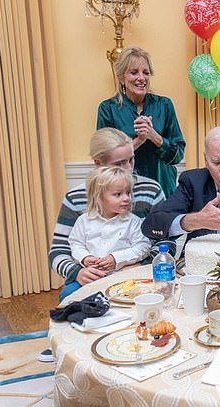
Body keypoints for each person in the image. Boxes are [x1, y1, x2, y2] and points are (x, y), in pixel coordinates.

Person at [49, 128, 170, 302]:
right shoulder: (75, 199)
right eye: (119, 164)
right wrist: (77, 272)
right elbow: (59, 250)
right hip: (90, 280)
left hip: (136, 277)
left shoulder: (151, 190)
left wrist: (138, 266)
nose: (128, 169)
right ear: (98, 163)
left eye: (131, 160)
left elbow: (165, 241)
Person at [97, 46, 185, 197]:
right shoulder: (108, 109)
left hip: (163, 191)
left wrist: (154, 137)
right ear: (121, 77)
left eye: (146, 72)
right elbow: (105, 160)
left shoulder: (164, 105)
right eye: (134, 72)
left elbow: (177, 155)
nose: (141, 78)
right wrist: (138, 140)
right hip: (124, 194)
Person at [64, 167, 151, 299]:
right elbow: (75, 244)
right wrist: (85, 258)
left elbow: (143, 247)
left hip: (121, 277)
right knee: (67, 295)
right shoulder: (84, 220)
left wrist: (116, 258)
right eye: (118, 194)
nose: (126, 198)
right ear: (98, 197)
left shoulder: (133, 222)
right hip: (91, 277)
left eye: (128, 193)